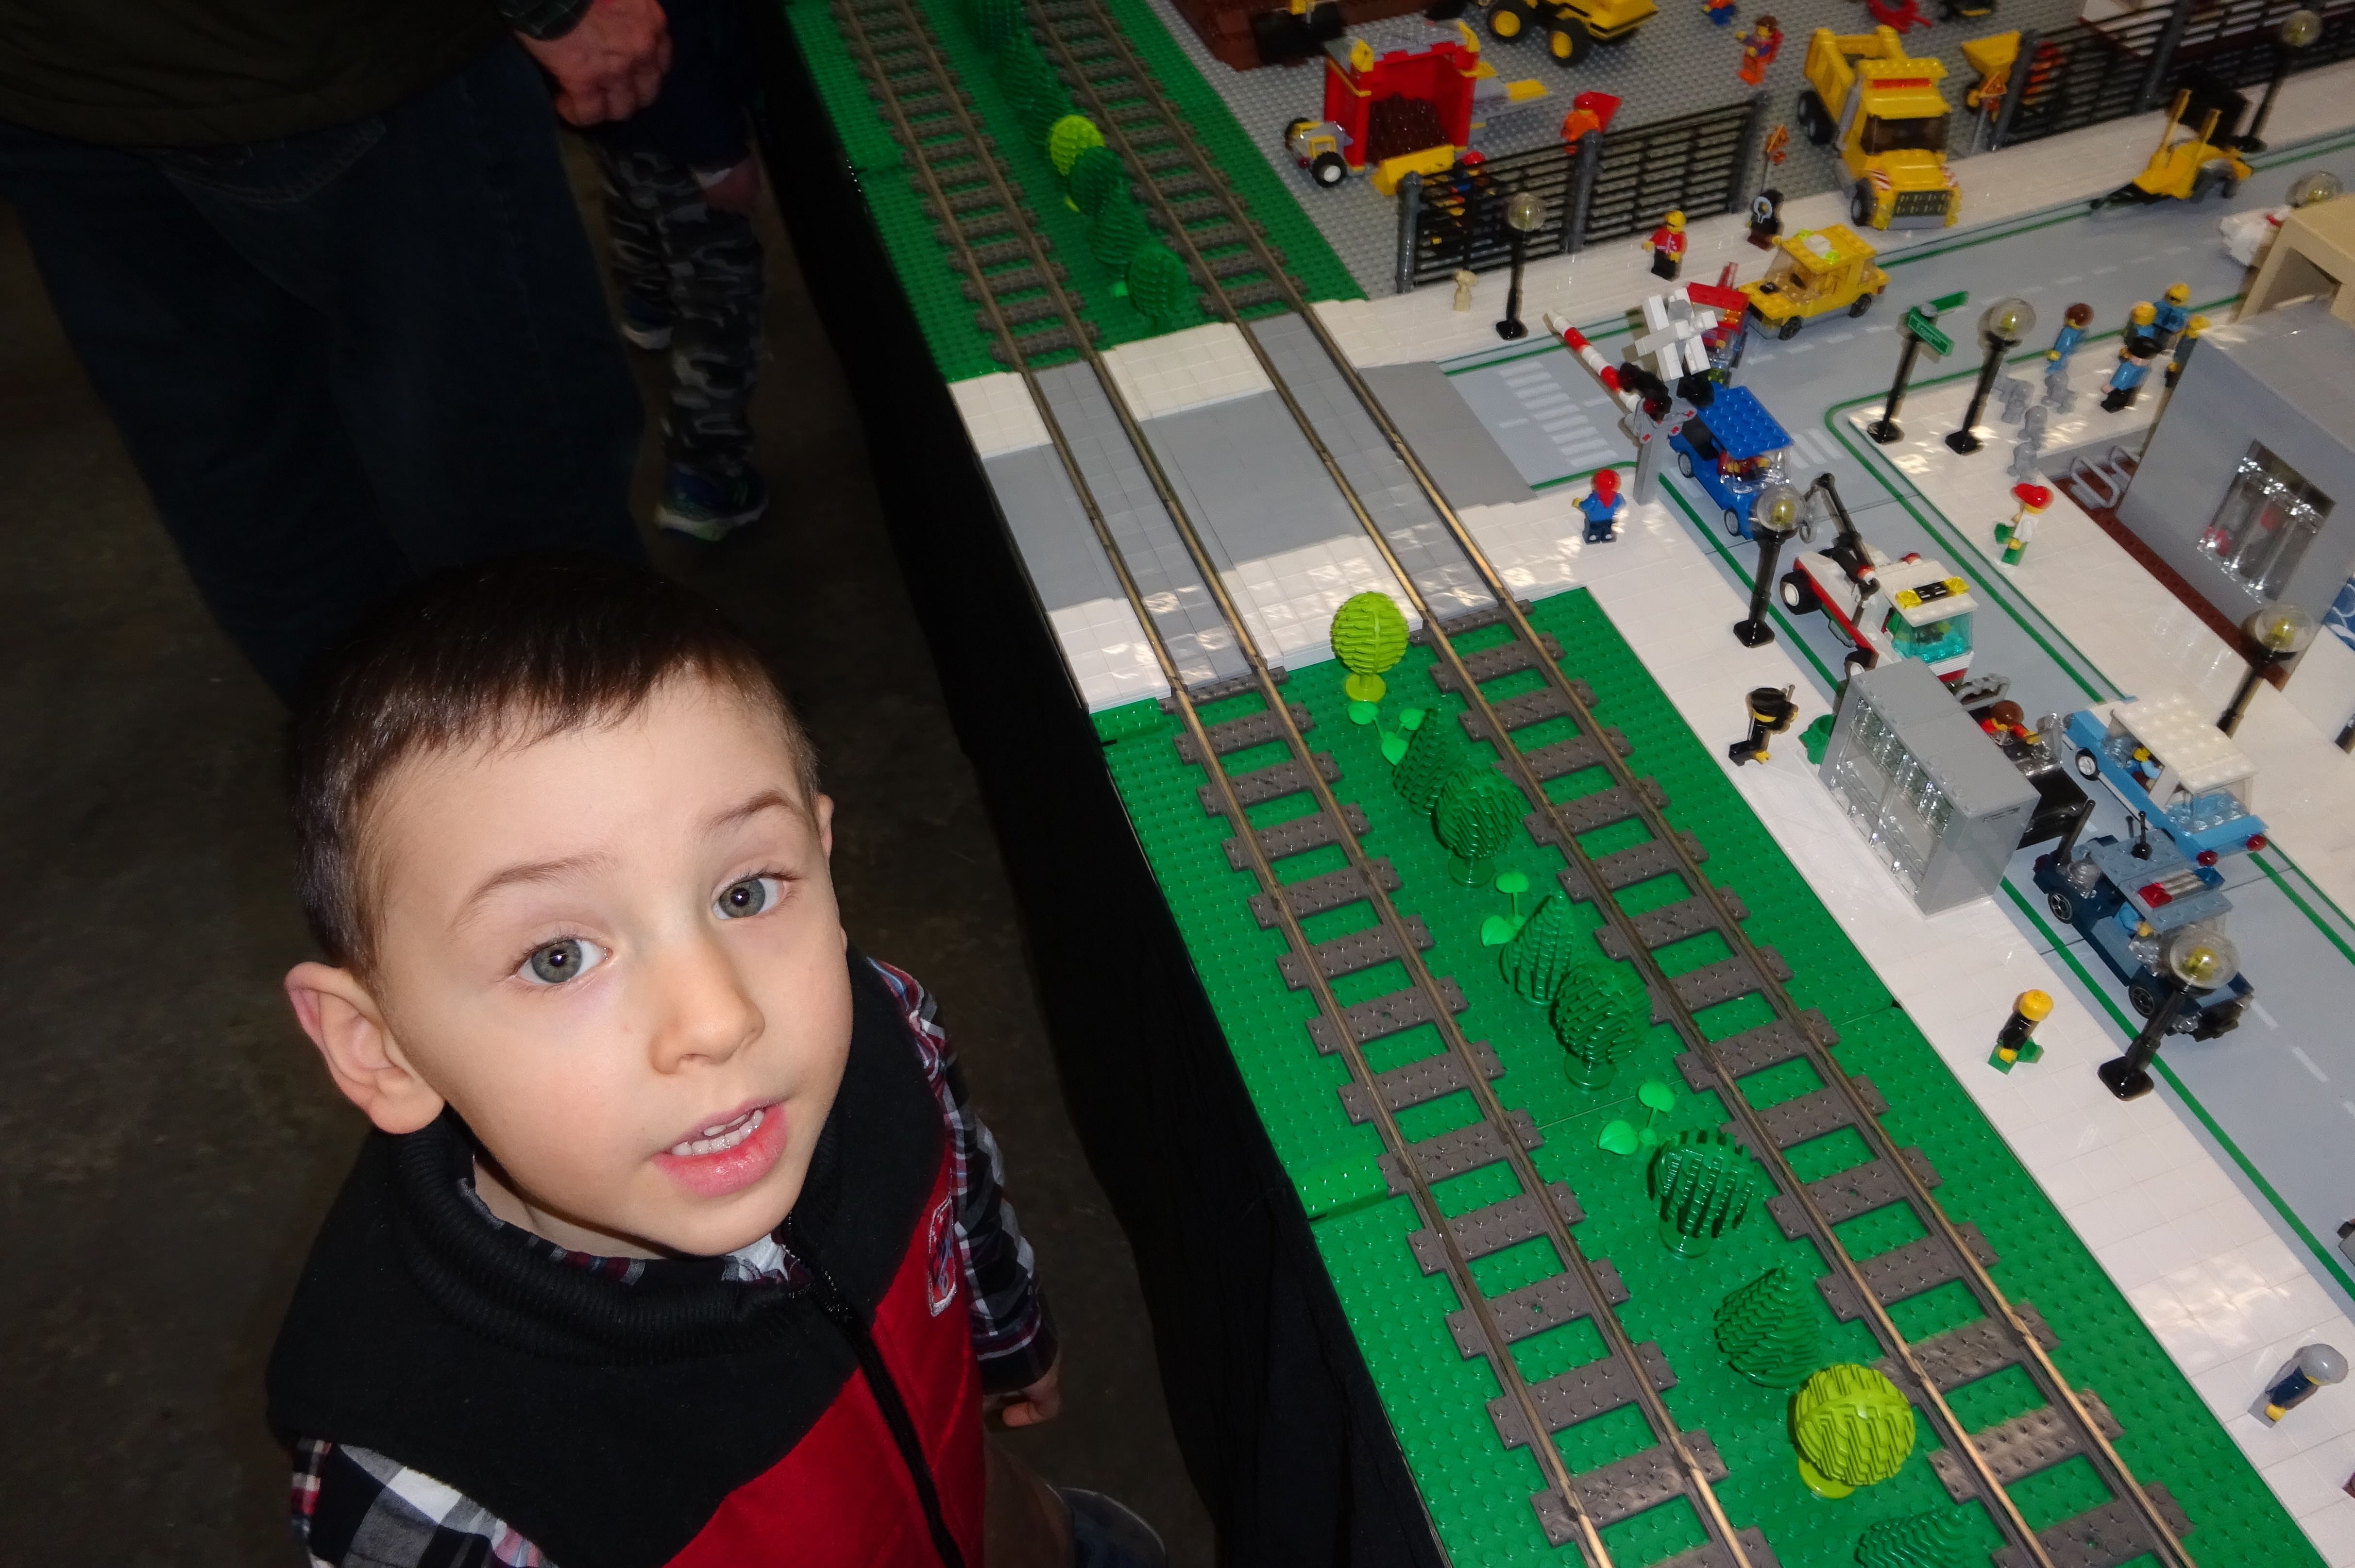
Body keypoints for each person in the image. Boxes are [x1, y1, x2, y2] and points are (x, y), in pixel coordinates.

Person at [266, 554, 1167, 1568]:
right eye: (558, 957)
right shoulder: (429, 1479)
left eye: (745, 893)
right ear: (381, 1048)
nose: (717, 1017)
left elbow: (958, 1188)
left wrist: (1007, 1333)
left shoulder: (886, 1024)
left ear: (821, 854)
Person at [0, 0, 671, 701]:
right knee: (514, 506)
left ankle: (390, 758)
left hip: (54, 75)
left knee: (258, 486)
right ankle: (583, 754)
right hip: (316, 57)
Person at [590, 0, 773, 541]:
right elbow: (677, 41)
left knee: (633, 185)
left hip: (606, 99)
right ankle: (705, 478)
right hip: (678, 120)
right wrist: (717, 158)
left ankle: (649, 303)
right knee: (719, 286)